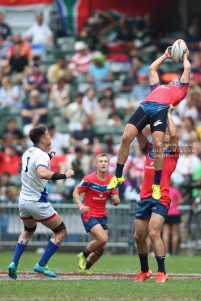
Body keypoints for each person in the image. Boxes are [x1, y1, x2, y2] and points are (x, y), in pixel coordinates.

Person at [107, 46, 191, 201]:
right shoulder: (157, 88)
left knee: (158, 144)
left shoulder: (181, 91)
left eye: (176, 80)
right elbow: (153, 68)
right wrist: (165, 55)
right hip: (145, 105)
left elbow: (187, 68)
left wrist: (185, 56)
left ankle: (156, 185)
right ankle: (118, 176)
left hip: (161, 109)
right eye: (171, 79)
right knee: (126, 138)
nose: (173, 79)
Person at [8, 125, 74, 279]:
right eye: (48, 135)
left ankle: (13, 263)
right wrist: (64, 175)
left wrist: (47, 158)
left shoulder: (27, 153)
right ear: (43, 139)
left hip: (23, 200)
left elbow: (33, 170)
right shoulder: (42, 156)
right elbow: (42, 173)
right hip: (37, 202)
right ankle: (42, 264)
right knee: (61, 231)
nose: (50, 137)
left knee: (28, 231)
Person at [134, 106, 179, 282]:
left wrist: (167, 114)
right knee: (139, 236)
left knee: (154, 234)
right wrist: (145, 113)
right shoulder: (149, 147)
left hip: (161, 196)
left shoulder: (173, 152)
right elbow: (137, 132)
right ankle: (145, 271)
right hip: (145, 195)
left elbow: (174, 135)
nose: (165, 133)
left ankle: (162, 272)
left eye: (166, 131)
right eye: (163, 131)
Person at [73, 153, 120, 274]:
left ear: (109, 164)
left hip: (102, 215)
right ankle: (83, 255)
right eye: (101, 161)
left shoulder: (112, 180)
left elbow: (116, 199)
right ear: (96, 164)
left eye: (105, 161)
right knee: (103, 238)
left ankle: (85, 268)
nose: (103, 163)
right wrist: (80, 205)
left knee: (102, 246)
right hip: (89, 213)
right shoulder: (89, 179)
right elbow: (76, 192)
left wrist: (116, 200)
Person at [162, 183, 183, 255]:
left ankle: (167, 251)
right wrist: (175, 203)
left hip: (165, 212)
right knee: (175, 233)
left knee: (165, 233)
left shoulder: (162, 191)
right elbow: (180, 201)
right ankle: (174, 252)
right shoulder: (175, 190)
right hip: (175, 213)